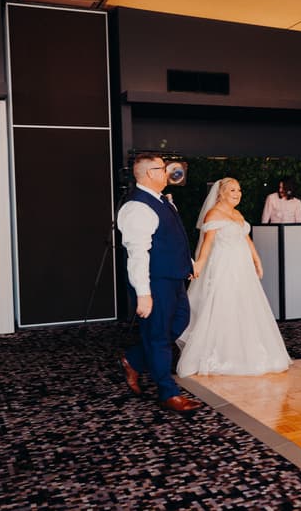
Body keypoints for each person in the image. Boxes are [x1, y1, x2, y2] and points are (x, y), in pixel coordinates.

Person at [176, 178, 292, 377]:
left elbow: (247, 240)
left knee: (246, 306)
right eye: (232, 190)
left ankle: (248, 352)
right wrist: (199, 265)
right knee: (224, 305)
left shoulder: (237, 213)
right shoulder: (213, 214)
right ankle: (221, 354)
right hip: (223, 267)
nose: (237, 193)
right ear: (221, 193)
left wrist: (257, 261)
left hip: (242, 267)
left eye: (239, 190)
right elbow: (207, 244)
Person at [116, 153, 202, 413]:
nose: (169, 171)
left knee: (179, 323)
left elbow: (173, 237)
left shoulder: (162, 200)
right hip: (155, 282)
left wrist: (188, 263)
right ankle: (168, 393)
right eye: (163, 168)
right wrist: (143, 293)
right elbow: (138, 253)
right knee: (159, 337)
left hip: (174, 278)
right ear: (149, 173)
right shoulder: (136, 207)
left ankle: (133, 359)